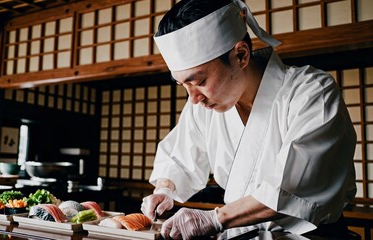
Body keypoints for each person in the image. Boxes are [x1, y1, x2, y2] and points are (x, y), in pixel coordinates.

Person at [140, 0, 357, 239]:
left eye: (200, 81)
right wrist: (165, 190)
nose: (193, 99)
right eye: (183, 85)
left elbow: (293, 188)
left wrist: (216, 218)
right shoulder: (203, 108)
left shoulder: (312, 92)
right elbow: (179, 157)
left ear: (241, 55)